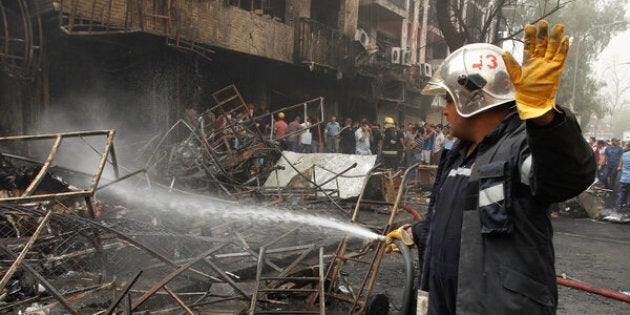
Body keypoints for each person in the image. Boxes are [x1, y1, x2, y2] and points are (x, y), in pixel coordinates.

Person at [385, 21, 596, 315]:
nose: (444, 109)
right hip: (443, 303)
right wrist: (419, 232)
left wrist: (546, 121)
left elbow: (566, 177)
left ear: (472, 97)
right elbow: (466, 221)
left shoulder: (522, 146)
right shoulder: (457, 154)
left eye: (447, 98)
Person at [616, 143, 630, 211]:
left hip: (624, 179)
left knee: (621, 193)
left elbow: (619, 168)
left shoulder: (624, 155)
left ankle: (618, 207)